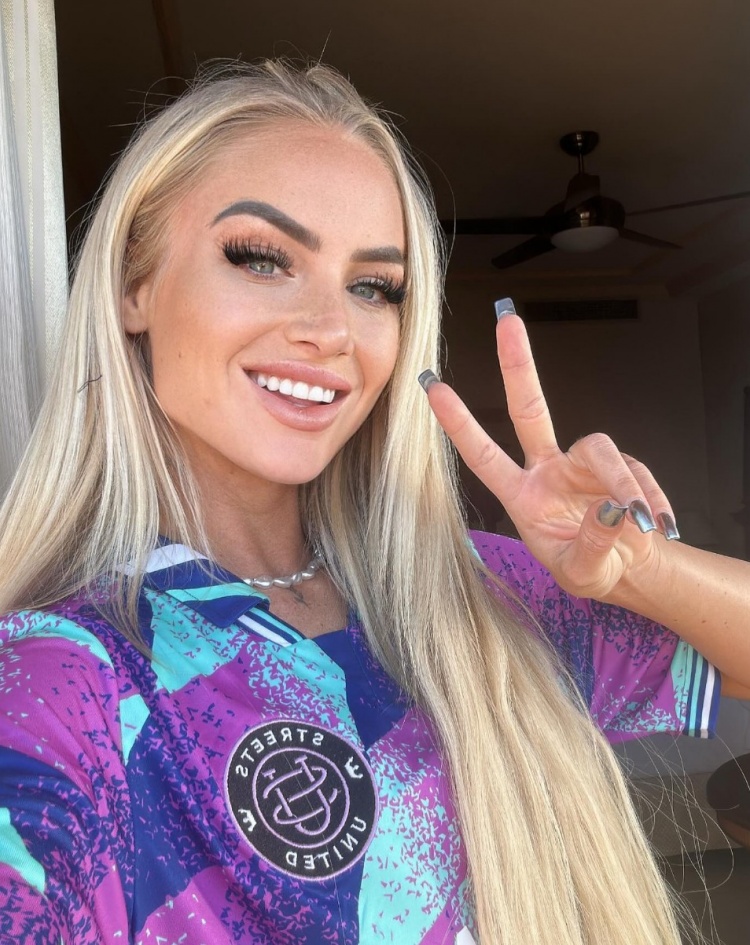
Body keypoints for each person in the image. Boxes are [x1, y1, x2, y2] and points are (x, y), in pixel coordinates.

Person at [1, 59, 749, 945]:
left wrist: (640, 570)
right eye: (262, 258)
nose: (331, 330)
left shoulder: (474, 592)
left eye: (373, 287)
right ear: (135, 284)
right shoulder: (65, 679)